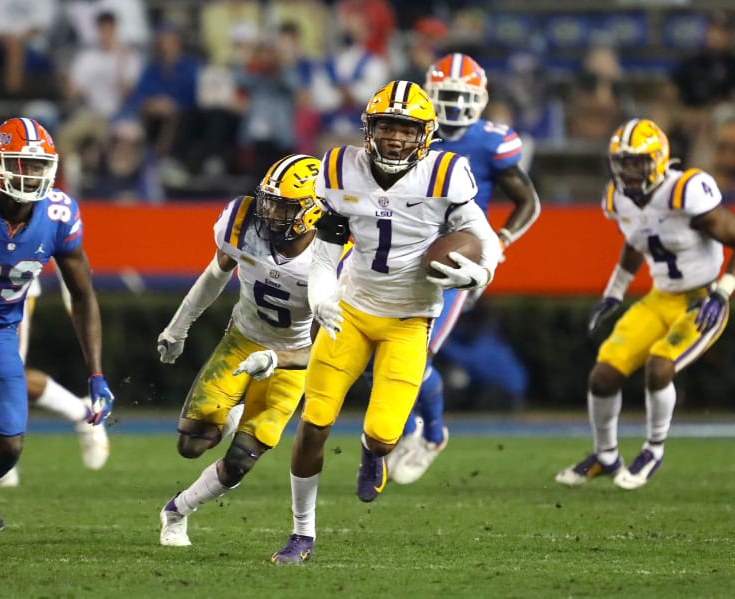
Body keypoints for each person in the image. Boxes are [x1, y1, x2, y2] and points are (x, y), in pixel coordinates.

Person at [271, 80, 501, 564]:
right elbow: (324, 254)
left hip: (409, 319)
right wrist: (320, 297)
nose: (395, 138)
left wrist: (480, 272)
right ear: (369, 128)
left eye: (405, 129)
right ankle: (301, 533)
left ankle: (372, 452)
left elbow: (484, 236)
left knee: (384, 434)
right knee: (313, 423)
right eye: (387, 127)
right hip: (351, 311)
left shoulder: (447, 174)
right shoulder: (338, 169)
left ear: (426, 134)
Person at [383, 53, 540, 485]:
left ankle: (430, 434)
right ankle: (411, 425)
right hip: (404, 255)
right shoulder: (412, 135)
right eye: (445, 97)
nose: (451, 107)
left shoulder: (492, 142)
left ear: (480, 99)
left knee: (418, 352)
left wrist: (499, 243)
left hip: (456, 260)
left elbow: (529, 202)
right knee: (380, 350)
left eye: (460, 97)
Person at [555, 118, 735, 491]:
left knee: (659, 366)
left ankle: (653, 450)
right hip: (659, 298)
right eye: (623, 163)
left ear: (659, 159)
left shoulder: (685, 192)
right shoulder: (618, 198)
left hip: (700, 301)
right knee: (603, 374)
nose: (629, 172)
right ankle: (605, 456)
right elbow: (636, 241)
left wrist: (722, 291)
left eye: (637, 163)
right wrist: (614, 292)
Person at [157, 154, 325, 546]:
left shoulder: (334, 253)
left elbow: (325, 346)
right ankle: (232, 408)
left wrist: (278, 360)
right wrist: (178, 328)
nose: (270, 213)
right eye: (268, 200)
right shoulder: (242, 220)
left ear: (313, 211)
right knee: (191, 445)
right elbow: (216, 273)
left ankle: (177, 510)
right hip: (243, 339)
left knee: (240, 460)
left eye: (284, 206)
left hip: (294, 358)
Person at [0, 117, 115, 530]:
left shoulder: (58, 212)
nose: (30, 173)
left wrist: (96, 373)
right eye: (20, 163)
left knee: (9, 445)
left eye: (37, 165)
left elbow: (83, 294)